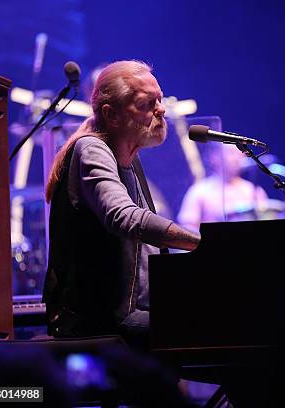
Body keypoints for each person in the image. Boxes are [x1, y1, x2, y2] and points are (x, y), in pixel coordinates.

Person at [43, 60, 200, 346]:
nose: (161, 109)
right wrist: (201, 243)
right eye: (146, 103)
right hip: (101, 319)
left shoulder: (130, 160)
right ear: (111, 115)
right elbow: (123, 217)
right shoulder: (91, 148)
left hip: (135, 314)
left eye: (160, 100)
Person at [177, 143, 269, 231]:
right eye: (232, 153)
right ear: (215, 157)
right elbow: (187, 226)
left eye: (240, 153)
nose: (237, 158)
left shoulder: (254, 190)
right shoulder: (200, 190)